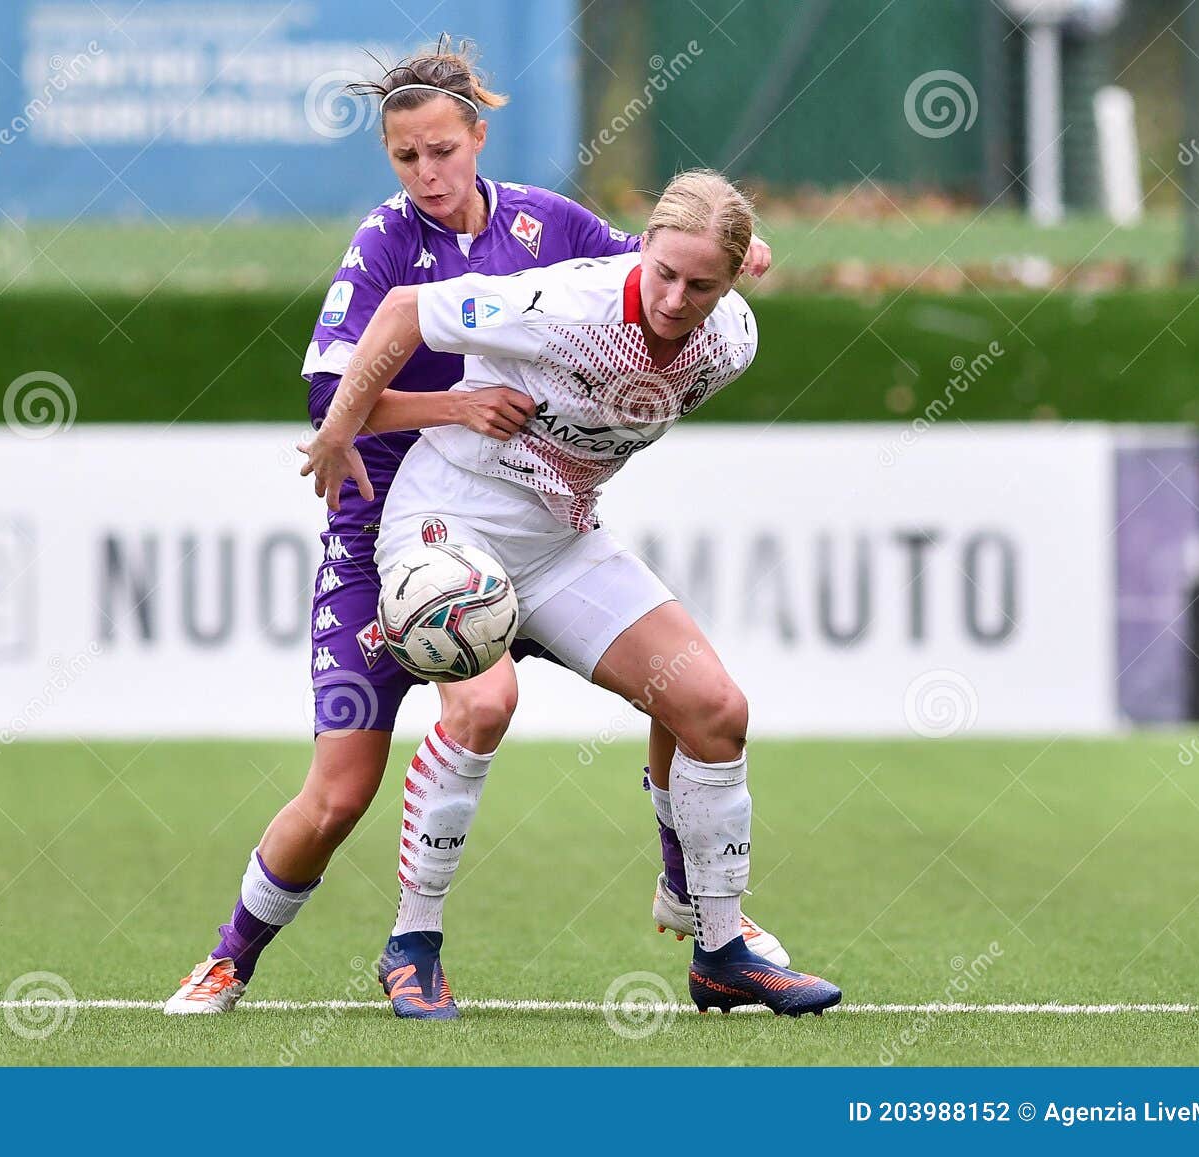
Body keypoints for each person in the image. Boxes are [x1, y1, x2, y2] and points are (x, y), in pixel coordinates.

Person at [165, 39, 781, 1016]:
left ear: (476, 138)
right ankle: (229, 957)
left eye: (442, 151)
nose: (428, 174)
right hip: (396, 536)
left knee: (688, 695)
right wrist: (450, 409)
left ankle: (694, 916)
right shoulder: (383, 246)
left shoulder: (546, 224)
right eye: (407, 158)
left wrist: (727, 256)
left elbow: (649, 274)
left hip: (531, 528)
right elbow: (339, 400)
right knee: (336, 796)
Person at [302, 169, 842, 1017]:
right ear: (643, 249)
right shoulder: (564, 304)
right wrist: (337, 431)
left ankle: (721, 949)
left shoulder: (731, 339)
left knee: (713, 709)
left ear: (732, 283)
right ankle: (413, 943)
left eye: (700, 284)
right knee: (482, 708)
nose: (673, 297)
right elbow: (406, 309)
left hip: (560, 539)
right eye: (662, 272)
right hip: (451, 521)